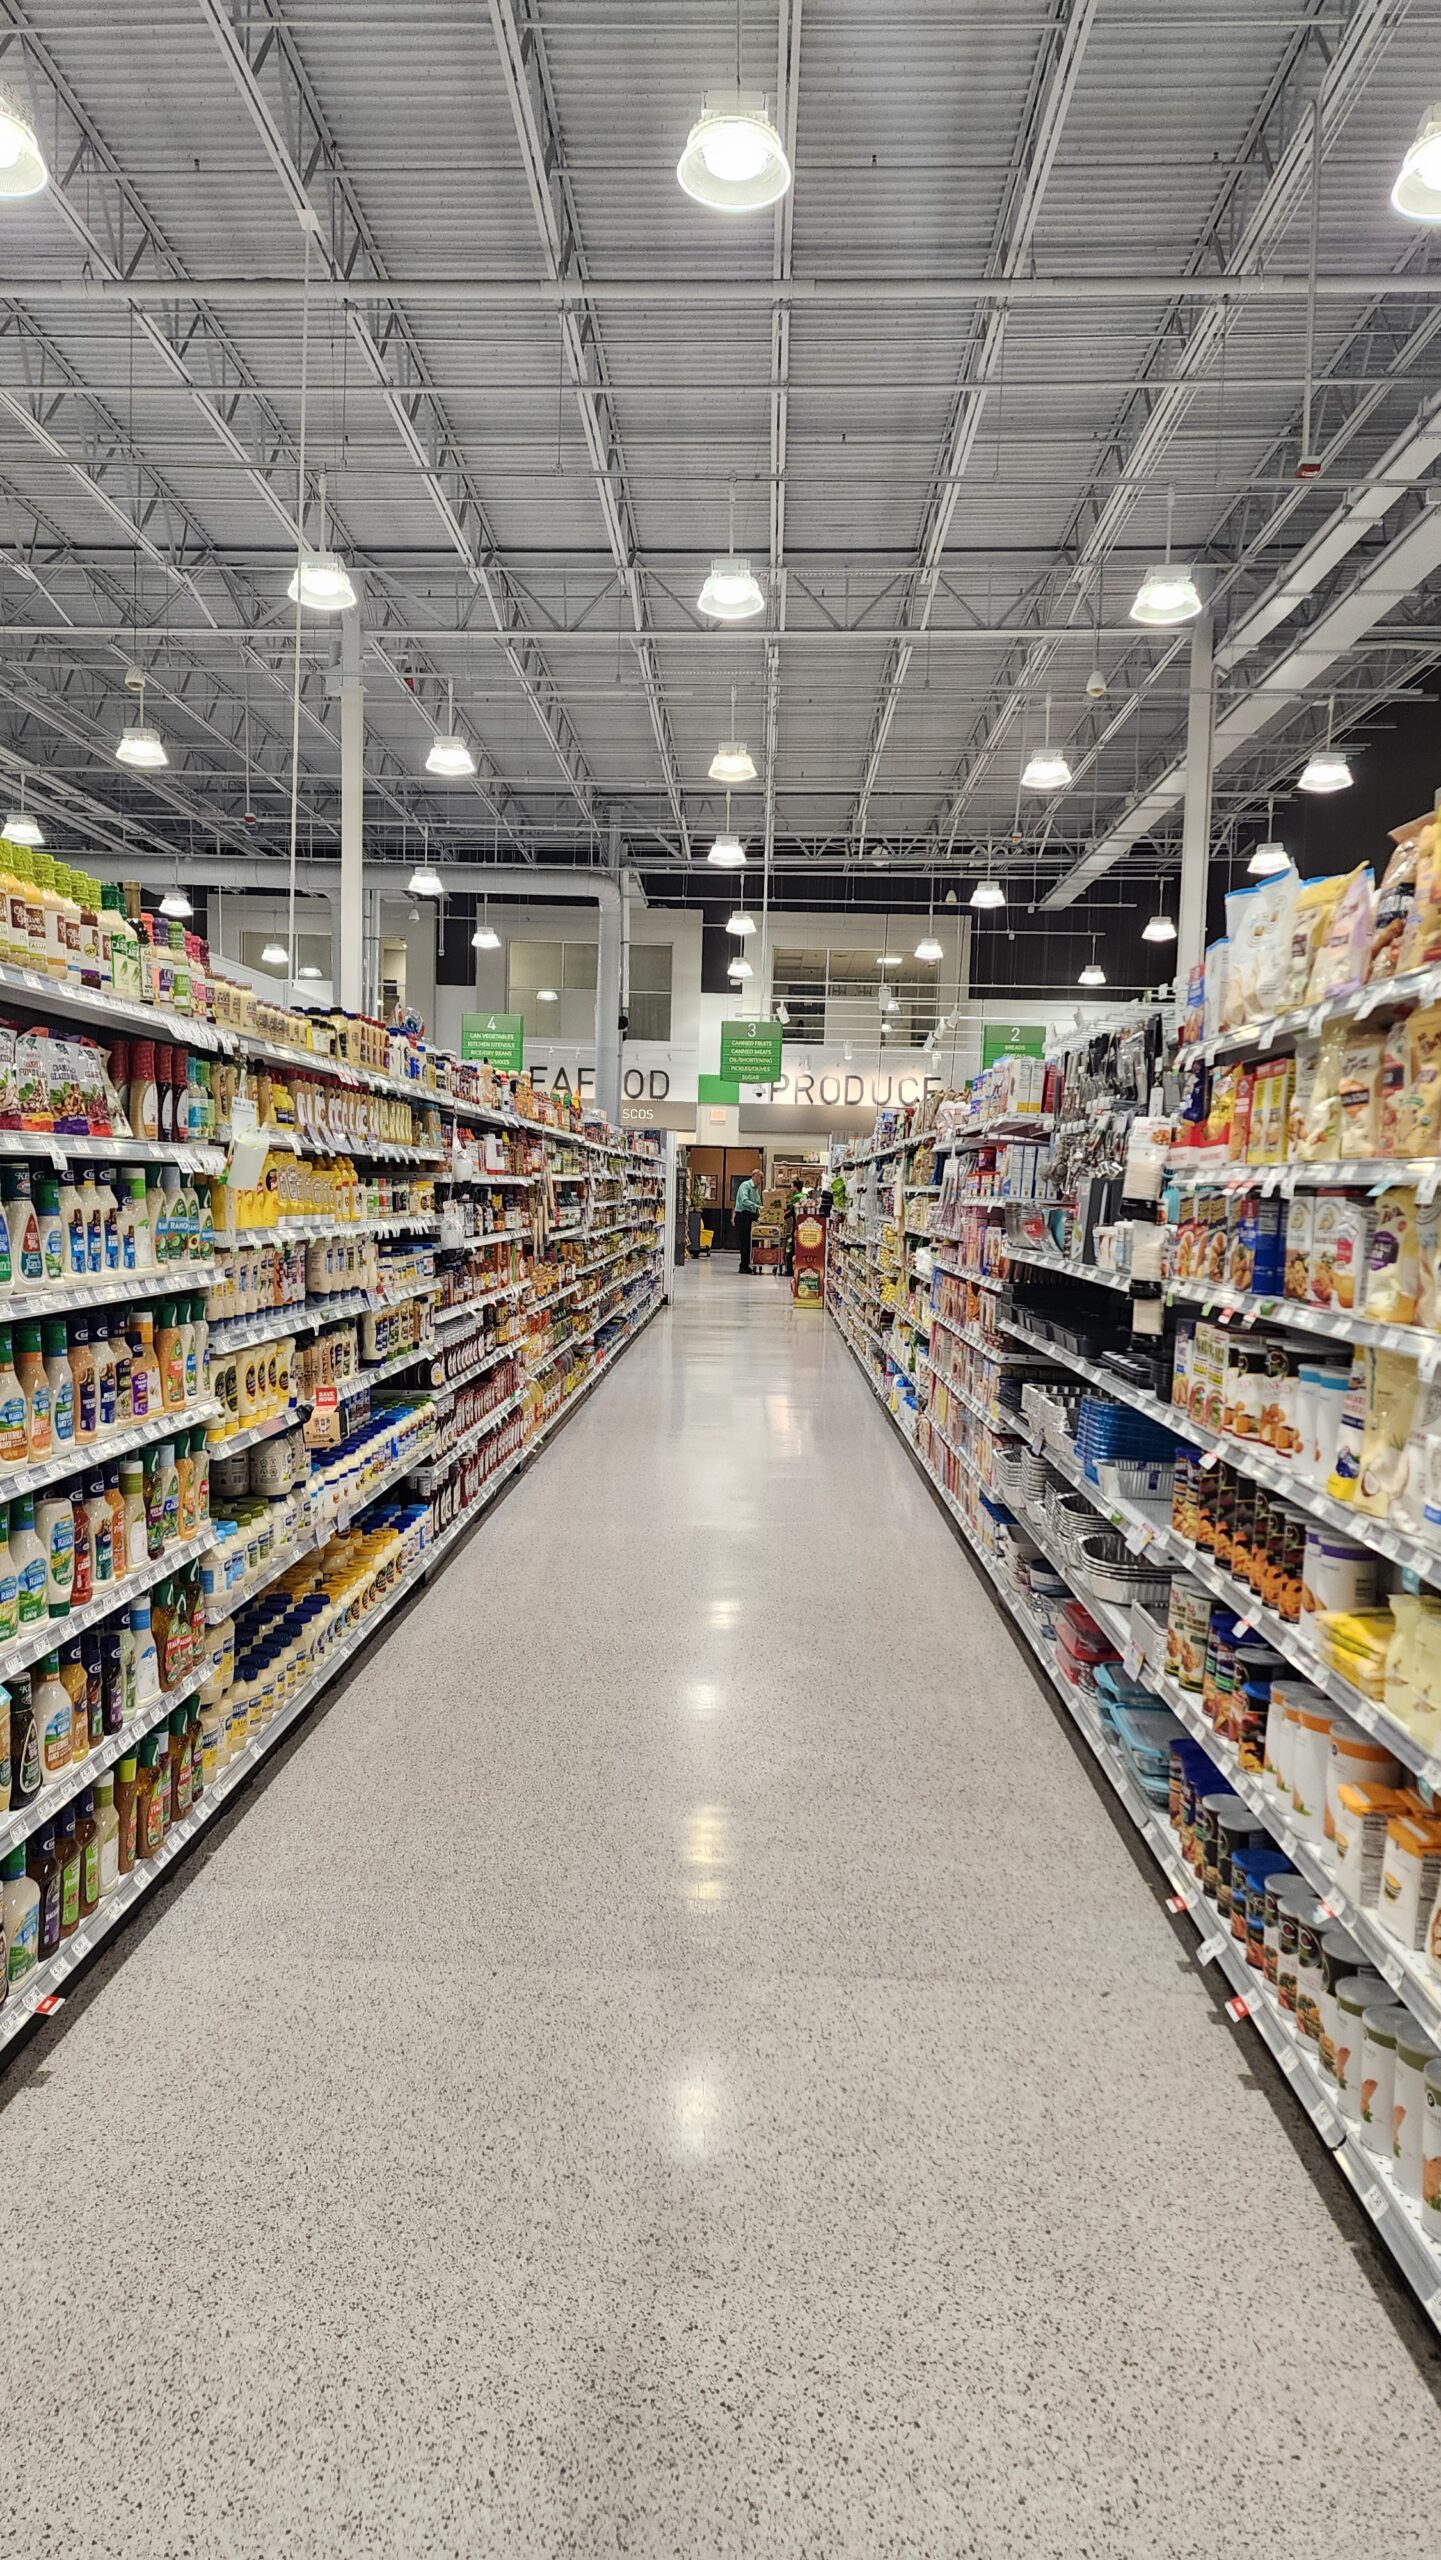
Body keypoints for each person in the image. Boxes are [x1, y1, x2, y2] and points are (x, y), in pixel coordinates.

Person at [733, 1171, 761, 1274]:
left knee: (750, 1242)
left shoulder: (755, 1189)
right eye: (760, 1178)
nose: (761, 1181)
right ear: (755, 1176)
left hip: (750, 1216)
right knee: (745, 1242)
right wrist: (757, 1207)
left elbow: (758, 1202)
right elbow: (744, 1200)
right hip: (743, 1216)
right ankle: (743, 1266)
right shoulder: (745, 1186)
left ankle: (747, 1264)